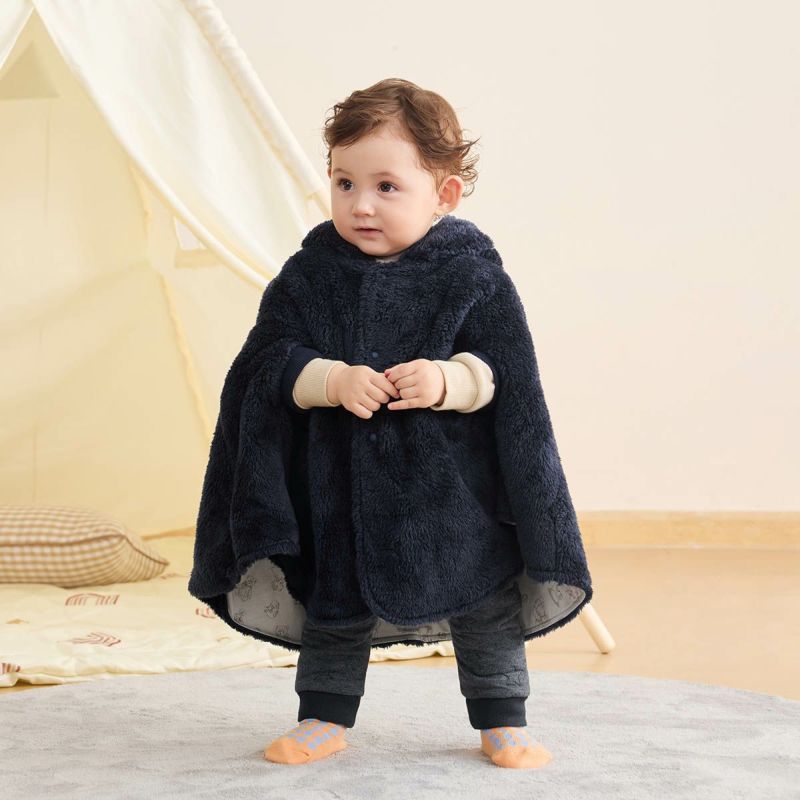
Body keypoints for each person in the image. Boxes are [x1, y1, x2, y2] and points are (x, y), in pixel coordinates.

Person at [262, 78, 554, 770]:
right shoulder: (311, 275)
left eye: (386, 186)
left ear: (443, 195)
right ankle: (323, 715)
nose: (360, 205)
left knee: (483, 603)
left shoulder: (472, 275)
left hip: (455, 492)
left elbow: (507, 373)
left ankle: (502, 718)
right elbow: (267, 363)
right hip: (343, 486)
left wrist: (450, 380)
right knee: (337, 603)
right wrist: (328, 378)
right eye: (344, 182)